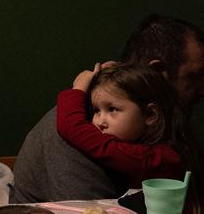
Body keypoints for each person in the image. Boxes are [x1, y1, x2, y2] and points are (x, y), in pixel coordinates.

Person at [11, 14, 204, 214]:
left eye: (111, 109)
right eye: (193, 77)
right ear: (157, 72)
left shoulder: (164, 130)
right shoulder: (87, 126)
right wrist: (76, 92)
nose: (203, 90)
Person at [57, 63, 185, 189]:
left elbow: (71, 125)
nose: (100, 122)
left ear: (150, 115)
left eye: (112, 109)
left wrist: (79, 88)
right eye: (96, 110)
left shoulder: (153, 160)